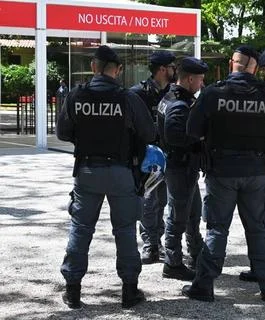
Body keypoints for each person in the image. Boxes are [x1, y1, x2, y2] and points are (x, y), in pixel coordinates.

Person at [182, 45, 265, 302]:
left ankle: (204, 285)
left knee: (217, 229)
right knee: (258, 229)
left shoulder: (213, 93)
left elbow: (192, 129)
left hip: (222, 170)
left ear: (232, 63)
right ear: (253, 66)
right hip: (257, 170)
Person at [57, 45, 155, 309]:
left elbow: (63, 133)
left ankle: (73, 291)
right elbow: (149, 132)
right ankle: (129, 291)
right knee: (124, 231)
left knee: (81, 228)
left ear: (93, 67)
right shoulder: (127, 98)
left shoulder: (77, 95)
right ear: (118, 70)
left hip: (87, 171)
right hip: (121, 171)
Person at [158, 57, 208, 280]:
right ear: (189, 79)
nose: (201, 84)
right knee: (178, 216)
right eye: (200, 80)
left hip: (181, 166)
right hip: (180, 166)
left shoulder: (170, 97)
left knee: (192, 212)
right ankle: (173, 262)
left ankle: (196, 253)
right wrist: (201, 140)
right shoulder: (180, 103)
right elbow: (174, 135)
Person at [131, 51, 176, 264]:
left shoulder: (175, 93)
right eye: (171, 67)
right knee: (149, 200)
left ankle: (159, 241)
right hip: (148, 158)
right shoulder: (138, 93)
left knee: (164, 200)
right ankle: (150, 244)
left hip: (170, 156)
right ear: (162, 69)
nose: (174, 71)